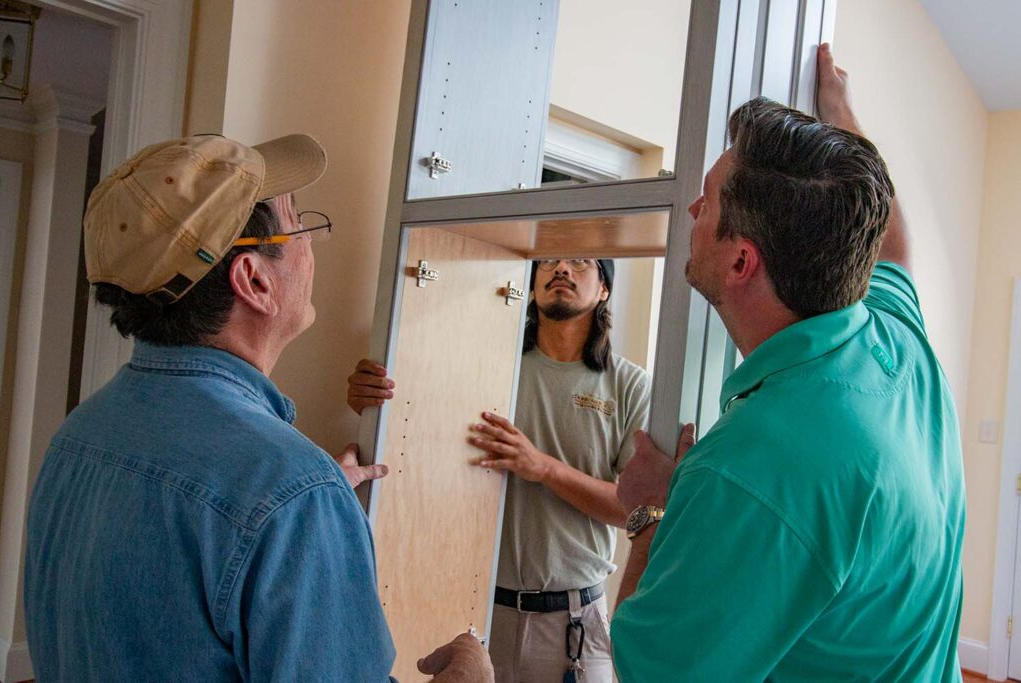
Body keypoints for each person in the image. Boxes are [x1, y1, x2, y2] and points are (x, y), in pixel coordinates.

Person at [24, 134, 492, 682]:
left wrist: (293, 525)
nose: (311, 246)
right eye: (299, 225)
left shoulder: (80, 435)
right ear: (254, 280)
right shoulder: (294, 494)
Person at [611, 44, 965, 681]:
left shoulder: (747, 469)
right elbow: (894, 243)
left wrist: (651, 514)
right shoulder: (893, 338)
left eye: (707, 201)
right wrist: (839, 114)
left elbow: (654, 672)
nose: (692, 210)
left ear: (740, 261)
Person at [349, 257, 651, 682]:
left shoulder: (629, 385)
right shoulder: (487, 364)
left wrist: (543, 468)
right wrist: (370, 399)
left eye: (580, 262)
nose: (561, 269)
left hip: (575, 626)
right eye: (549, 261)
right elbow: (415, 425)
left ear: (604, 289)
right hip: (478, 618)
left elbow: (633, 510)